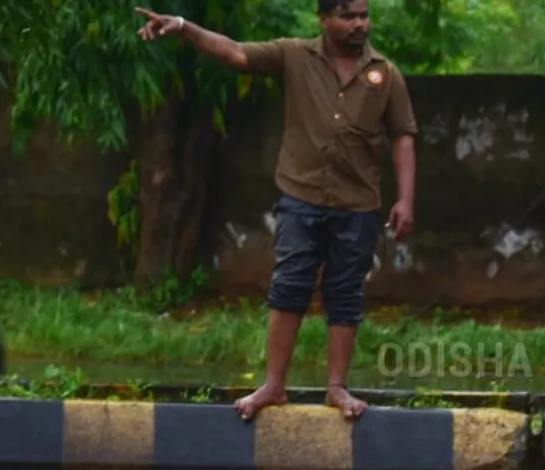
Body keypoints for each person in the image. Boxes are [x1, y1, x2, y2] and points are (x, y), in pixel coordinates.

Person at [135, 1, 417, 421]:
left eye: (364, 15)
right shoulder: (293, 55)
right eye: (349, 16)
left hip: (357, 204)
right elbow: (235, 53)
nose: (360, 24)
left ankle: (337, 389)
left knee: (346, 294)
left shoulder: (385, 74)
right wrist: (182, 27)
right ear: (324, 19)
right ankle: (273, 385)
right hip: (301, 196)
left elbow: (402, 135)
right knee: (289, 287)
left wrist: (406, 199)